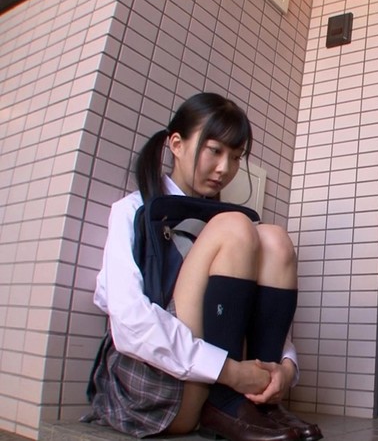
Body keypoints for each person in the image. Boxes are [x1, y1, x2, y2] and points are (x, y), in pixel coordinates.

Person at [83, 92, 323, 441]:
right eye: (214, 150)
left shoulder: (229, 224)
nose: (225, 168)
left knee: (275, 238)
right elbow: (129, 321)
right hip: (164, 388)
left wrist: (285, 368)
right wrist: (228, 372)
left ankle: (260, 406)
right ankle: (226, 403)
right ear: (176, 145)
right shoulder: (133, 210)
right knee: (236, 225)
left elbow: (261, 315)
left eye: (235, 157)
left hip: (230, 387)